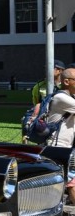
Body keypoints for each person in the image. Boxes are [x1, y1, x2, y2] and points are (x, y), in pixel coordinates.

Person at [45, 69, 75, 206]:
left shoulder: (69, 98)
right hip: (58, 146)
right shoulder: (61, 98)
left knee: (65, 181)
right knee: (70, 181)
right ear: (67, 81)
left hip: (67, 145)